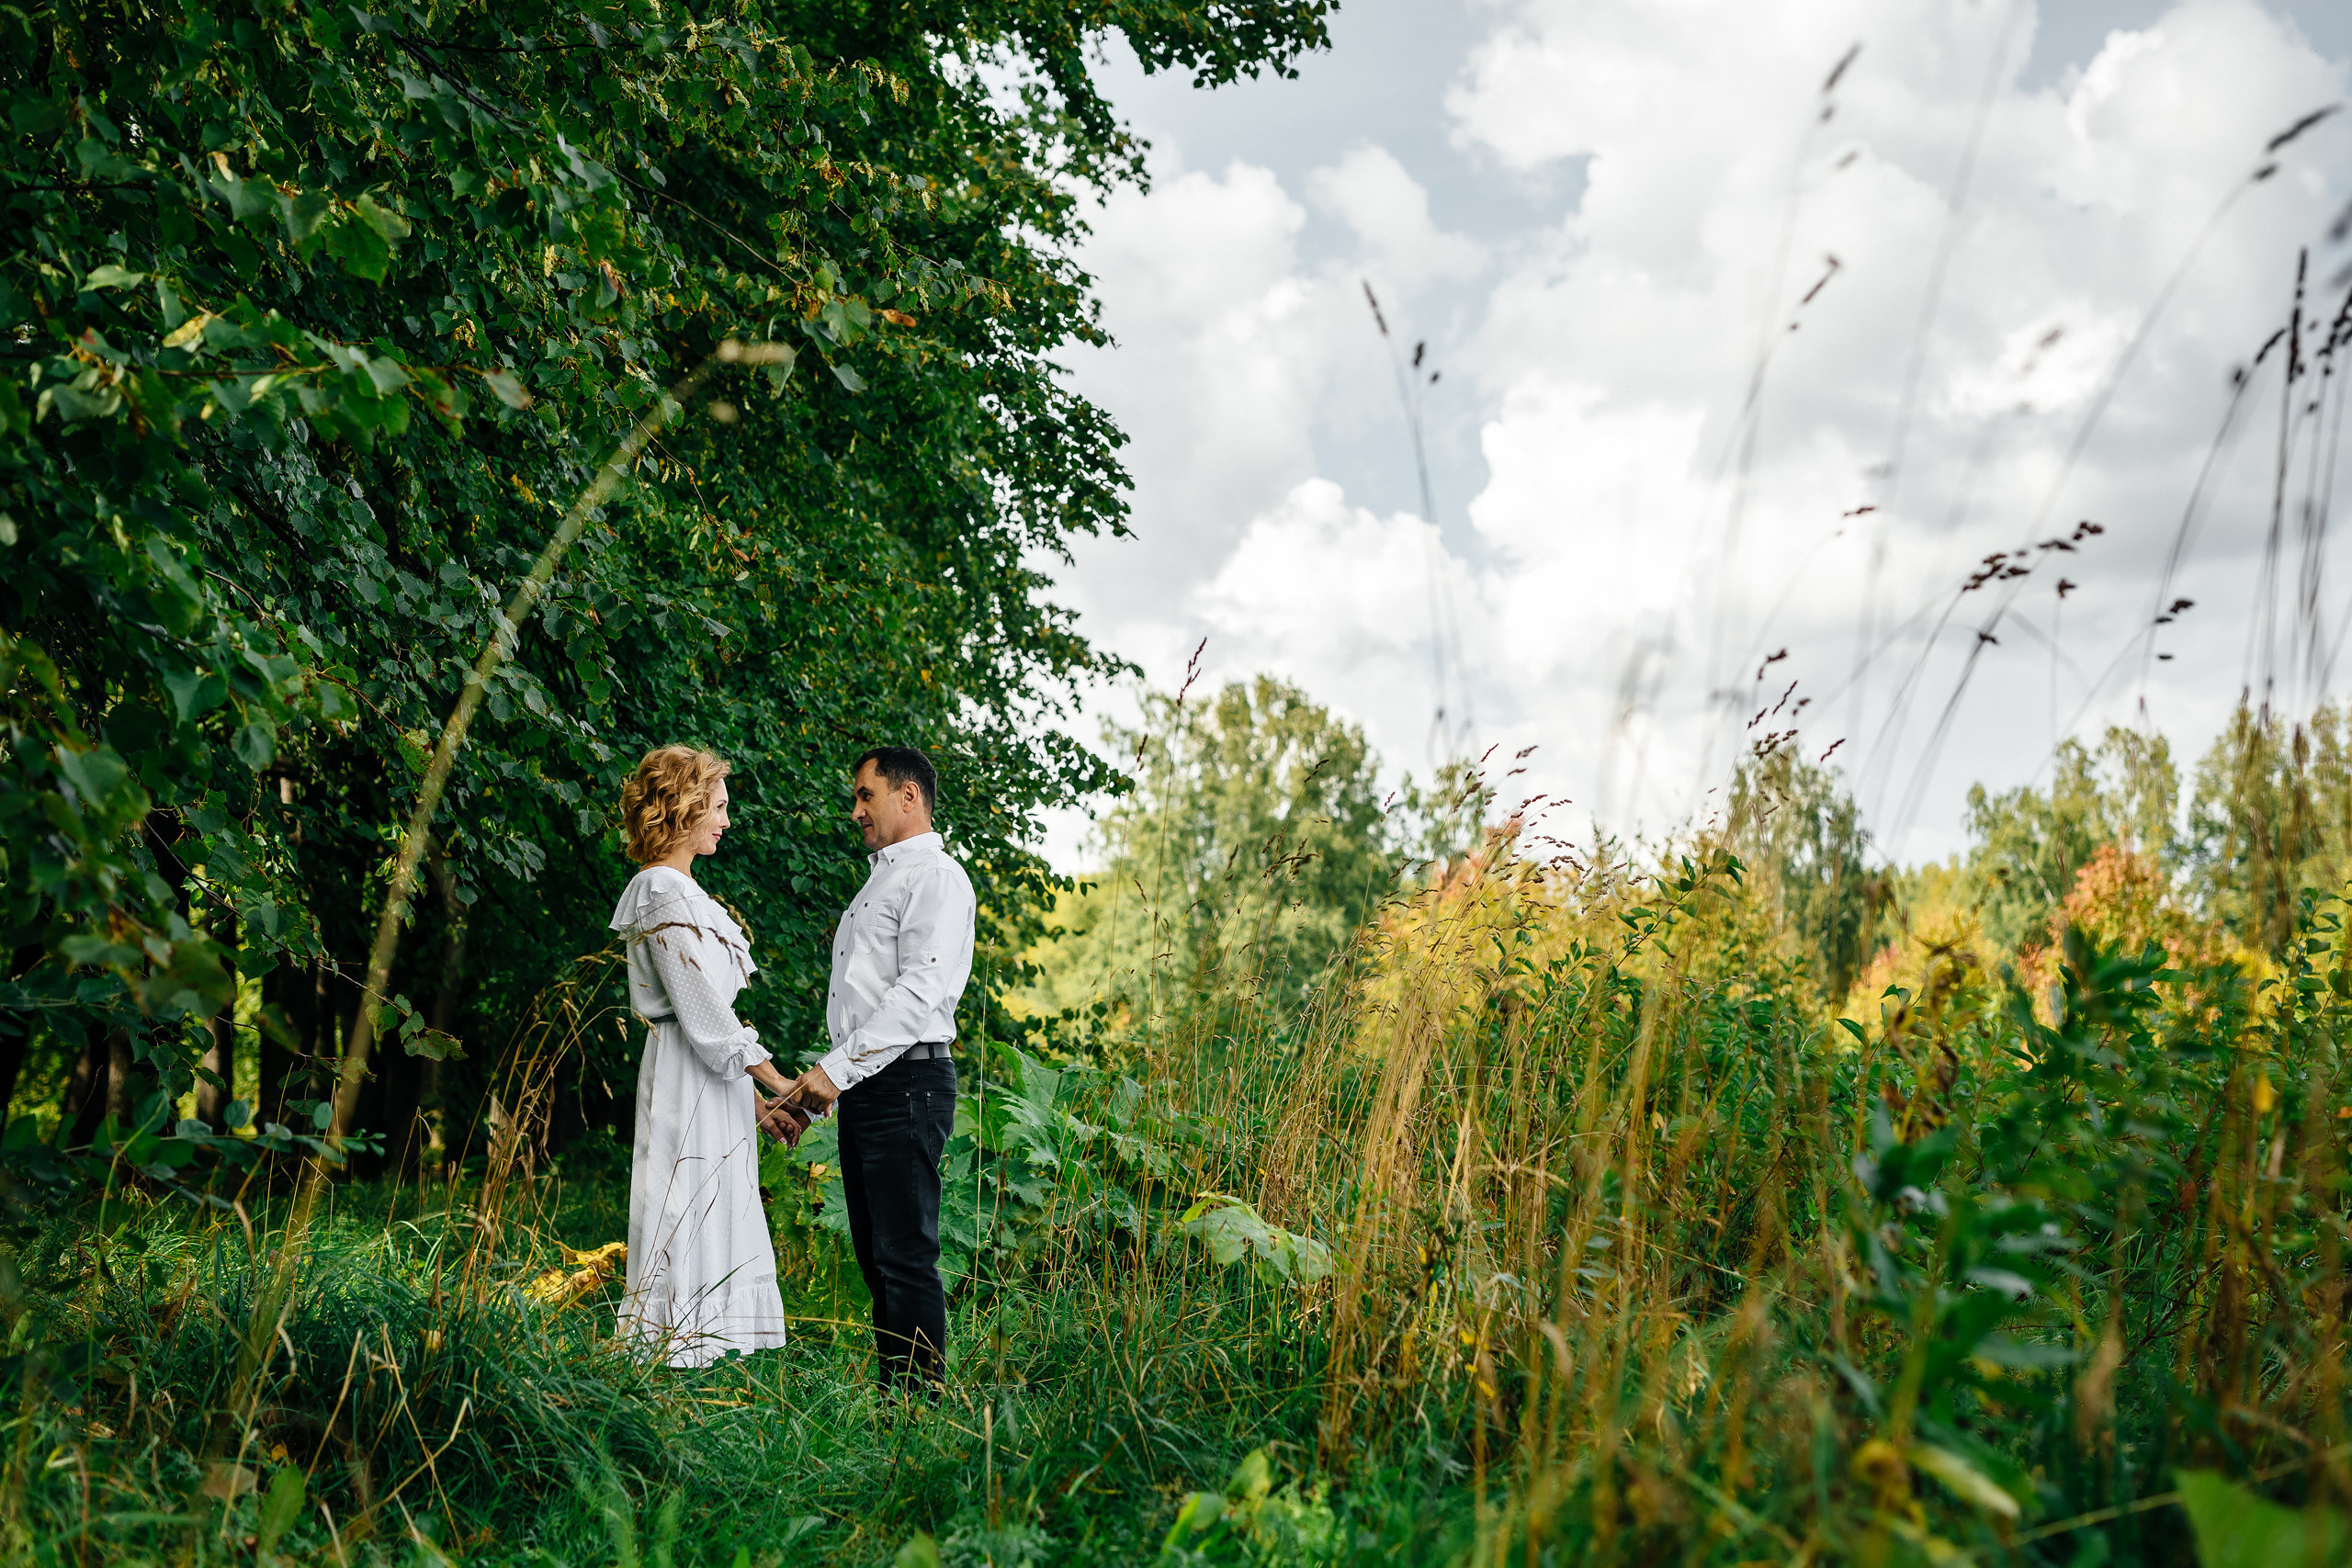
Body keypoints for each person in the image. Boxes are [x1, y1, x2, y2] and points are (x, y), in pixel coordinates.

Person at [786, 746, 975, 1399]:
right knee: (875, 1256)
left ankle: (919, 1409)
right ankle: (895, 1402)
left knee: (905, 1255)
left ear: (909, 796)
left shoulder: (937, 878)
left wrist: (835, 1072)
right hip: (872, 1086)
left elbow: (916, 995)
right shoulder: (881, 880)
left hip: (910, 1082)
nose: (855, 809)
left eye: (866, 795)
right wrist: (827, 1087)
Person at [610, 745, 798, 1367]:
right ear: (683, 808)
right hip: (681, 1083)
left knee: (720, 1210)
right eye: (717, 807)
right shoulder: (658, 889)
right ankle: (665, 1364)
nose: (726, 819)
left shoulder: (689, 893)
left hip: (714, 1081)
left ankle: (711, 1364)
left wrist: (755, 1103)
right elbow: (702, 1013)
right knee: (681, 1208)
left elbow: (714, 1021)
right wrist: (777, 1080)